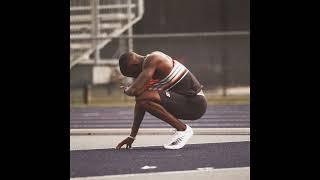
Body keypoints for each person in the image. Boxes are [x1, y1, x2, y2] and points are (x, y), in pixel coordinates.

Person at [116, 51, 207, 150]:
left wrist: (126, 90)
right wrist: (132, 136)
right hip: (185, 103)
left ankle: (183, 130)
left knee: (142, 96)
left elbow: (134, 90)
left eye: (133, 74)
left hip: (196, 103)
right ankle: (182, 129)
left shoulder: (153, 59)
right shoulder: (149, 73)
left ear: (135, 64)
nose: (135, 77)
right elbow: (140, 103)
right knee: (142, 99)